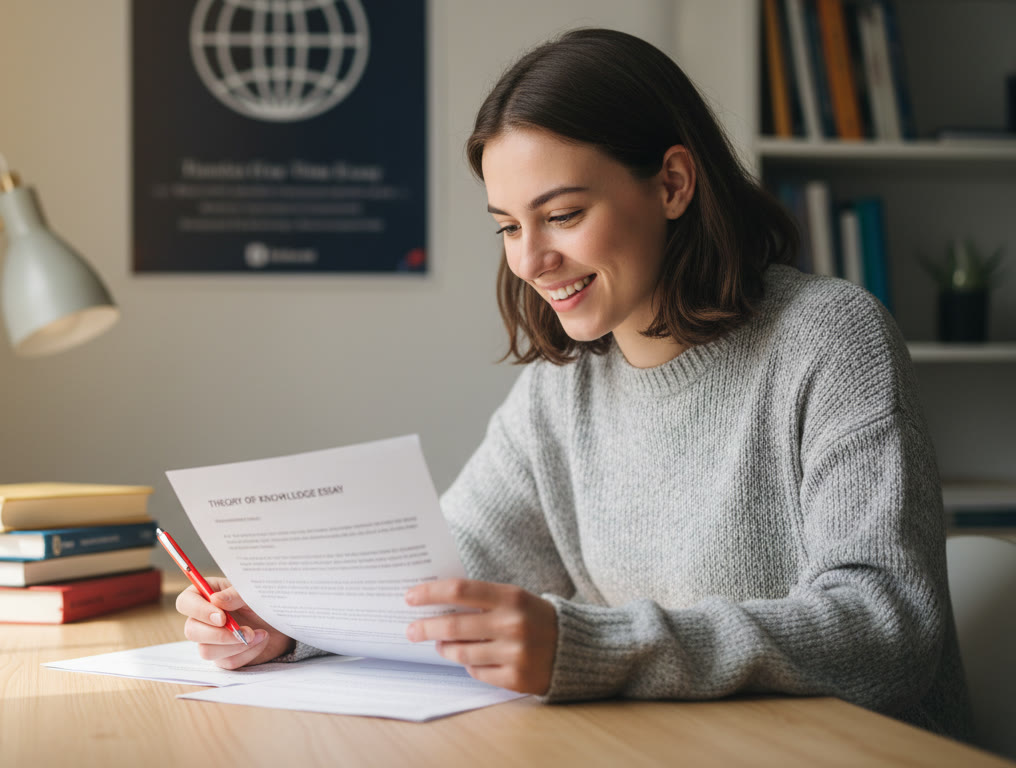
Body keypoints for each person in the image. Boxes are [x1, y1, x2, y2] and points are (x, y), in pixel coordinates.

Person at [173, 28, 970, 738]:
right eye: (509, 226)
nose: (528, 260)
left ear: (672, 185)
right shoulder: (566, 392)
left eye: (561, 214)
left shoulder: (830, 339)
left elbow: (886, 627)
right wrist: (287, 622)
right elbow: (444, 581)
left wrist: (592, 648)